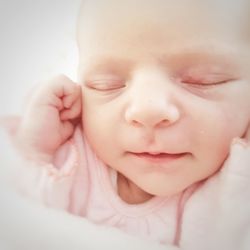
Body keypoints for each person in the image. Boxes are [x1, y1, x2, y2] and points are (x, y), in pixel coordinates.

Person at [5, 0, 250, 248]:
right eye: (105, 84)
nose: (146, 110)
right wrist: (35, 153)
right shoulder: (68, 157)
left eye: (204, 80)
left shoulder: (238, 188)